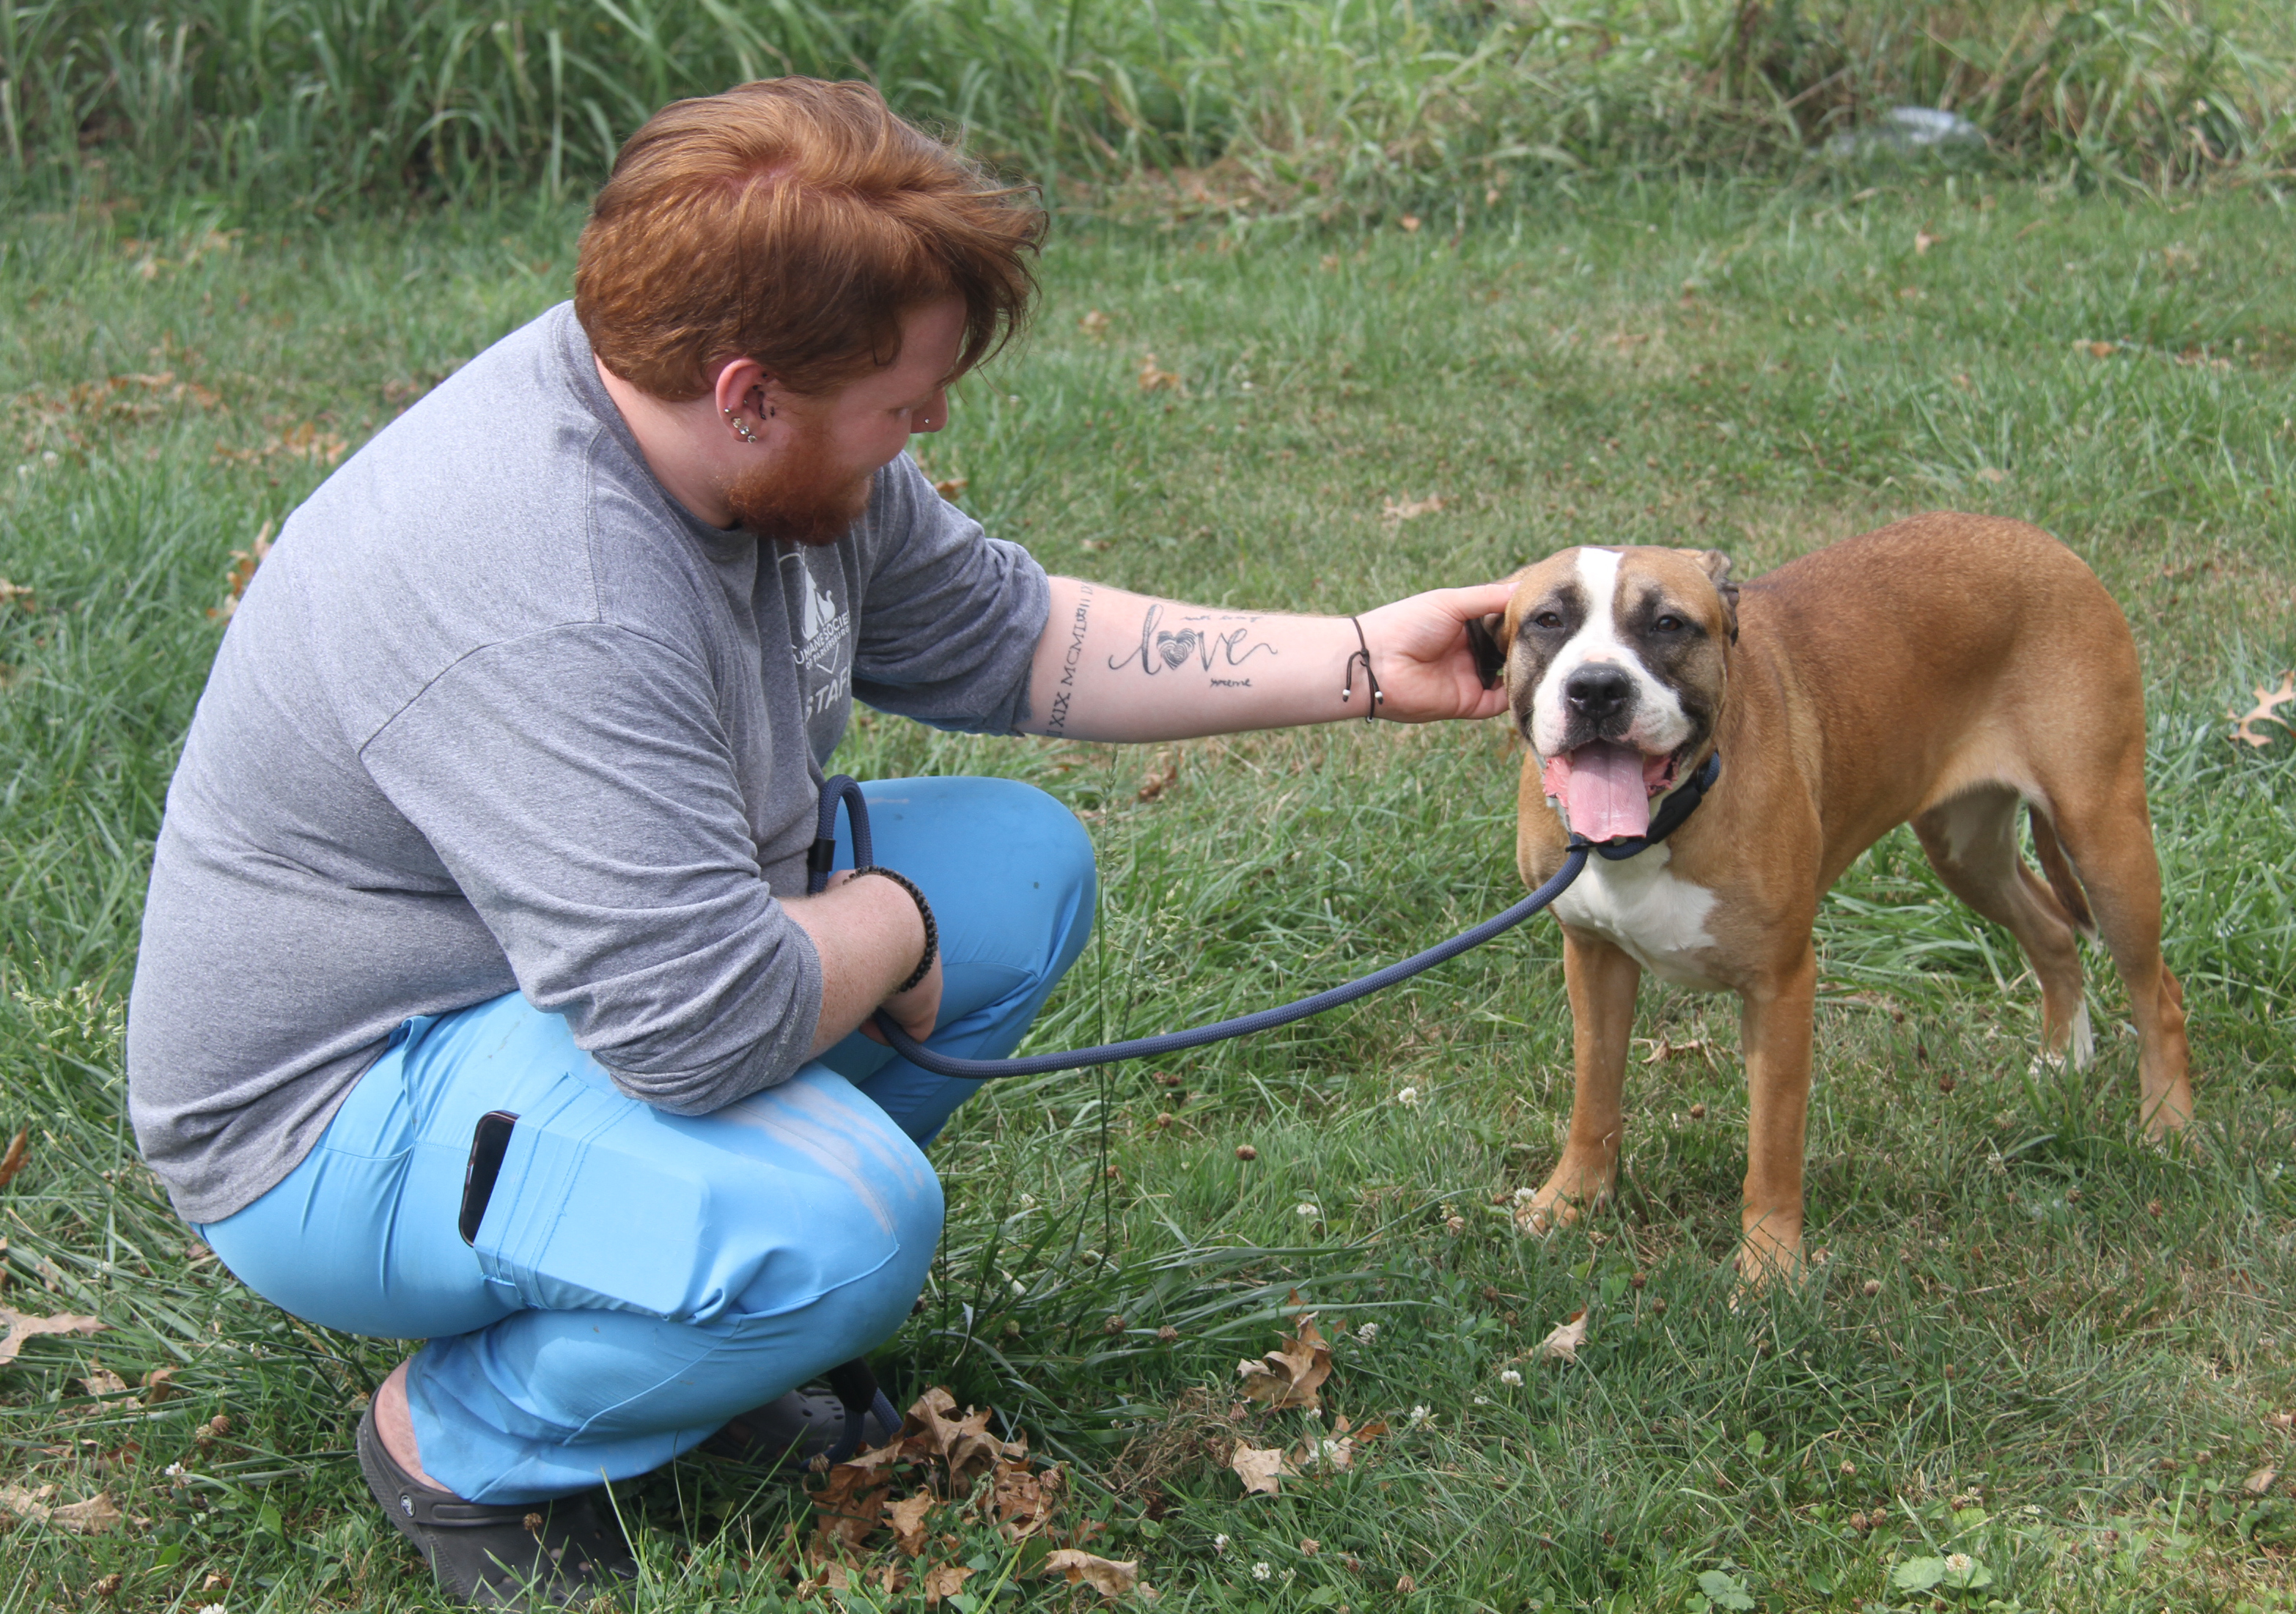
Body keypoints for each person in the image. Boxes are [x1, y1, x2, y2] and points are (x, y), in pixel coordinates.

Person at [124, 77, 1510, 1609]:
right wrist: (894, 924)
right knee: (848, 1226)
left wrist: (1369, 663)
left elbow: (1011, 634)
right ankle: (464, 1442)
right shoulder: (552, 587)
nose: (929, 426)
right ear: (749, 396)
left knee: (1018, 869)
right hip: (332, 1115)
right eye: (904, 405)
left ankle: (686, 1328)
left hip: (560, 994)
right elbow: (702, 1028)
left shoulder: (746, 433)